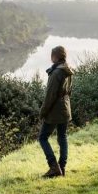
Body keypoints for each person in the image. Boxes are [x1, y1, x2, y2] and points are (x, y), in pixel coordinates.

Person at [38, 45, 73, 178]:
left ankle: (54, 167)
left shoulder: (57, 72)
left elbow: (50, 96)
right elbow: (69, 91)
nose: (50, 57)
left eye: (52, 55)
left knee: (42, 137)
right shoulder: (68, 69)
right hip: (65, 107)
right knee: (62, 137)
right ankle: (62, 168)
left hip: (55, 110)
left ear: (55, 56)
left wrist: (43, 112)